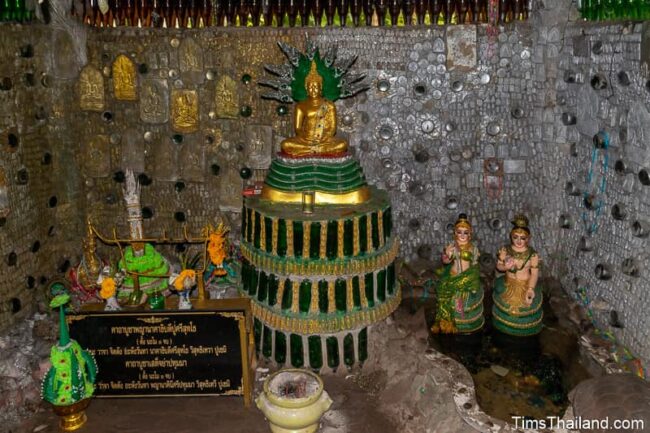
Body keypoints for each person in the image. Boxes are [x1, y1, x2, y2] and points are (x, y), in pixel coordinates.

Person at [280, 61, 348, 157]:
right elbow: (298, 128)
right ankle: (315, 150)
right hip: (306, 140)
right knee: (285, 144)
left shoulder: (329, 105)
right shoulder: (301, 105)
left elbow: (332, 128)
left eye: (315, 86)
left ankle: (310, 150)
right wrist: (305, 138)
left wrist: (323, 138)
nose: (313, 89)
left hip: (323, 140)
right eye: (310, 87)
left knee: (342, 144)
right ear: (306, 89)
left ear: (320, 88)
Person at [431, 213, 484, 334]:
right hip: (454, 274)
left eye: (465, 232)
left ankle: (462, 319)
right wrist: (448, 255)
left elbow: (475, 265)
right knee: (443, 290)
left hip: (467, 277)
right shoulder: (452, 247)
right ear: (455, 233)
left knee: (463, 297)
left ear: (470, 233)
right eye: (459, 232)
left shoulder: (473, 248)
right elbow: (446, 261)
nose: (462, 235)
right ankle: (446, 321)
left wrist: (473, 278)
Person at [492, 214, 543, 336]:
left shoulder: (532, 255)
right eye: (516, 237)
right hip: (508, 282)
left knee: (526, 306)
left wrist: (530, 289)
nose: (519, 241)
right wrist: (506, 267)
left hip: (525, 283)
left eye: (523, 238)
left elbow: (535, 273)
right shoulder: (505, 250)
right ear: (511, 237)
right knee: (504, 302)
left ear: (528, 238)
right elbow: (498, 266)